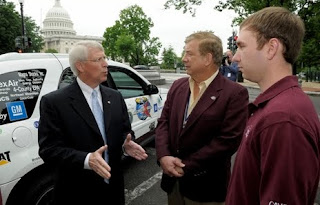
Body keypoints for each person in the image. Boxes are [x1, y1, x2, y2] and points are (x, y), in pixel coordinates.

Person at [226, 7, 320, 205]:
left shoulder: (282, 119)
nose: (235, 57)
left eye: (242, 46)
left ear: (271, 48)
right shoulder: (279, 107)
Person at [38, 41, 148, 205]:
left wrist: (126, 143)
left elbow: (125, 130)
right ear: (80, 66)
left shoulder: (115, 97)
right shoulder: (54, 102)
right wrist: (87, 159)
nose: (106, 64)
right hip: (77, 191)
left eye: (105, 58)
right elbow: (49, 150)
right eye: (98, 60)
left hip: (113, 189)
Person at [155, 31, 249, 205]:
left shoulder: (234, 94)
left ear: (207, 58)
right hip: (173, 184)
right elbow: (164, 122)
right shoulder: (178, 86)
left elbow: (228, 141)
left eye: (189, 53)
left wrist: (185, 166)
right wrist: (163, 155)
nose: (184, 58)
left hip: (206, 190)